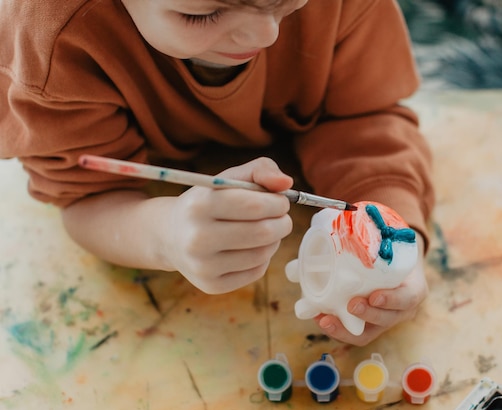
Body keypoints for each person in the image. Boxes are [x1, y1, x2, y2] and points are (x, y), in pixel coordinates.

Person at [0, 0, 434, 346]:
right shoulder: (52, 43)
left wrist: (398, 246)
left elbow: (365, 120)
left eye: (285, 0)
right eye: (203, 13)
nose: (266, 34)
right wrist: (164, 235)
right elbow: (88, 196)